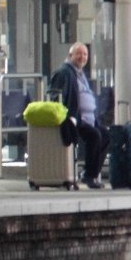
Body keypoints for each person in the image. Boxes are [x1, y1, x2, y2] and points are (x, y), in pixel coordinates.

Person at [48, 41, 104, 188]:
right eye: (79, 53)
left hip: (89, 118)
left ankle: (89, 172)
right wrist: (68, 117)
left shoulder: (79, 73)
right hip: (74, 119)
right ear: (70, 55)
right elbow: (56, 97)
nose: (82, 57)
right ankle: (90, 176)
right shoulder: (65, 73)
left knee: (105, 136)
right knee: (95, 136)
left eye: (85, 54)